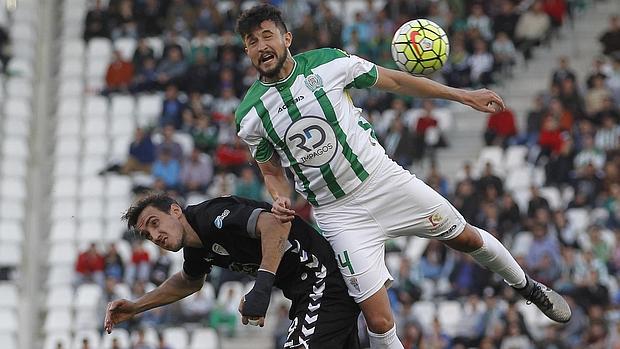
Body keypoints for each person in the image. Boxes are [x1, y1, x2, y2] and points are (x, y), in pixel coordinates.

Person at [233, 5, 571, 348]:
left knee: (466, 238)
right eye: (251, 41)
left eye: (267, 35)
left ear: (286, 38)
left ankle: (529, 288)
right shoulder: (250, 115)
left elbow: (395, 80)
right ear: (246, 50)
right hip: (339, 215)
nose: (261, 46)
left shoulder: (327, 63)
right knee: (379, 321)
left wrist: (462, 95)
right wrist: (278, 195)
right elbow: (271, 169)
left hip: (384, 182)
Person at [103, 193, 361, 349]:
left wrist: (261, 290)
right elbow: (188, 282)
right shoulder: (195, 248)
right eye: (148, 235)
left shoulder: (211, 216)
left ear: (175, 210)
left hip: (323, 281)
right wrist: (136, 307)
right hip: (308, 294)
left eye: (155, 223)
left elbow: (275, 224)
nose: (155, 236)